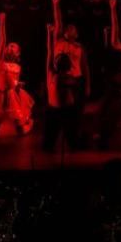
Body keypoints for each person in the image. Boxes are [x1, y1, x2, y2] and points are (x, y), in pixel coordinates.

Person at [0, 13, 34, 139]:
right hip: (0, 94)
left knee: (17, 119)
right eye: (9, 45)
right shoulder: (0, 61)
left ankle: (21, 127)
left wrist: (18, 86)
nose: (10, 47)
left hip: (12, 95)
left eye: (14, 46)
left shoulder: (17, 67)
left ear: (18, 53)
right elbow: (2, 40)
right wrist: (2, 22)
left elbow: (14, 82)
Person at [43, 24, 82, 152]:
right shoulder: (53, 75)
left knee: (73, 141)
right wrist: (49, 34)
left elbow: (50, 52)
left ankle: (74, 146)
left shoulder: (61, 77)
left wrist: (49, 34)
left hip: (64, 111)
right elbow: (49, 52)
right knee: (50, 143)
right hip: (56, 111)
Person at [53, 0, 91, 105]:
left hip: (77, 80)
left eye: (72, 28)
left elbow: (85, 67)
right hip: (62, 81)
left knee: (77, 107)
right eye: (68, 28)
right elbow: (58, 23)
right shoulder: (59, 42)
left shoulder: (79, 47)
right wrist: (56, 5)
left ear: (76, 34)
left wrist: (88, 85)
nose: (69, 28)